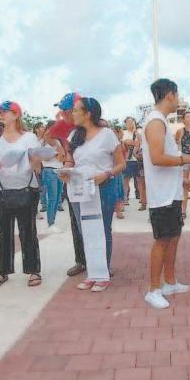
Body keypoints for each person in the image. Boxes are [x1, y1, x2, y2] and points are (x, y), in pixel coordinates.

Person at [142, 79, 190, 309]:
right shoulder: (155, 121)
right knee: (162, 240)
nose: (178, 100)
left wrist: (181, 178)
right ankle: (153, 289)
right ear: (170, 94)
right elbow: (157, 158)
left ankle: (169, 281)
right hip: (162, 196)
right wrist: (188, 159)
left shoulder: (161, 121)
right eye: (177, 95)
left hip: (171, 192)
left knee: (173, 237)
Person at [60, 98, 125, 291]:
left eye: (76, 110)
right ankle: (92, 273)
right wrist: (65, 171)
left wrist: (106, 174)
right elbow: (70, 161)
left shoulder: (107, 135)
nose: (72, 113)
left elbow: (121, 164)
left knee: (102, 230)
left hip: (103, 188)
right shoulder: (74, 135)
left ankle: (102, 273)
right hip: (80, 189)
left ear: (88, 113)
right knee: (85, 231)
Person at [0, 101, 43, 288]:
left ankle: (33, 270)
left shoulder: (29, 137)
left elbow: (37, 164)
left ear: (16, 115)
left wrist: (36, 160)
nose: (0, 114)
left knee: (28, 231)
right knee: (3, 233)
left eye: (5, 111)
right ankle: (3, 271)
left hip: (27, 189)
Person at [51, 95, 86, 276]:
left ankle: (102, 261)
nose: (63, 114)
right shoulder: (63, 126)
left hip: (95, 181)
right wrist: (62, 155)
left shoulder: (96, 126)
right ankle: (81, 260)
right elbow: (48, 137)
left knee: (98, 223)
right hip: (72, 180)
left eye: (65, 110)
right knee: (76, 223)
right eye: (62, 111)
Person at [38, 123, 65, 233]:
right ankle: (51, 223)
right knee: (52, 198)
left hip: (59, 171)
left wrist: (54, 154)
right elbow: (44, 157)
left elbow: (61, 157)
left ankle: (52, 222)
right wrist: (55, 153)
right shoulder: (42, 143)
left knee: (57, 198)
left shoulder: (57, 141)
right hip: (49, 171)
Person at [122, 117, 147, 210]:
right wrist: (134, 143)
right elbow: (124, 143)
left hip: (137, 160)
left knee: (140, 180)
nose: (130, 123)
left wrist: (133, 140)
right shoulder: (123, 133)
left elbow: (141, 142)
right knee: (126, 180)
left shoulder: (139, 132)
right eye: (128, 122)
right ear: (125, 123)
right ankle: (125, 198)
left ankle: (142, 198)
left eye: (132, 121)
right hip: (127, 160)